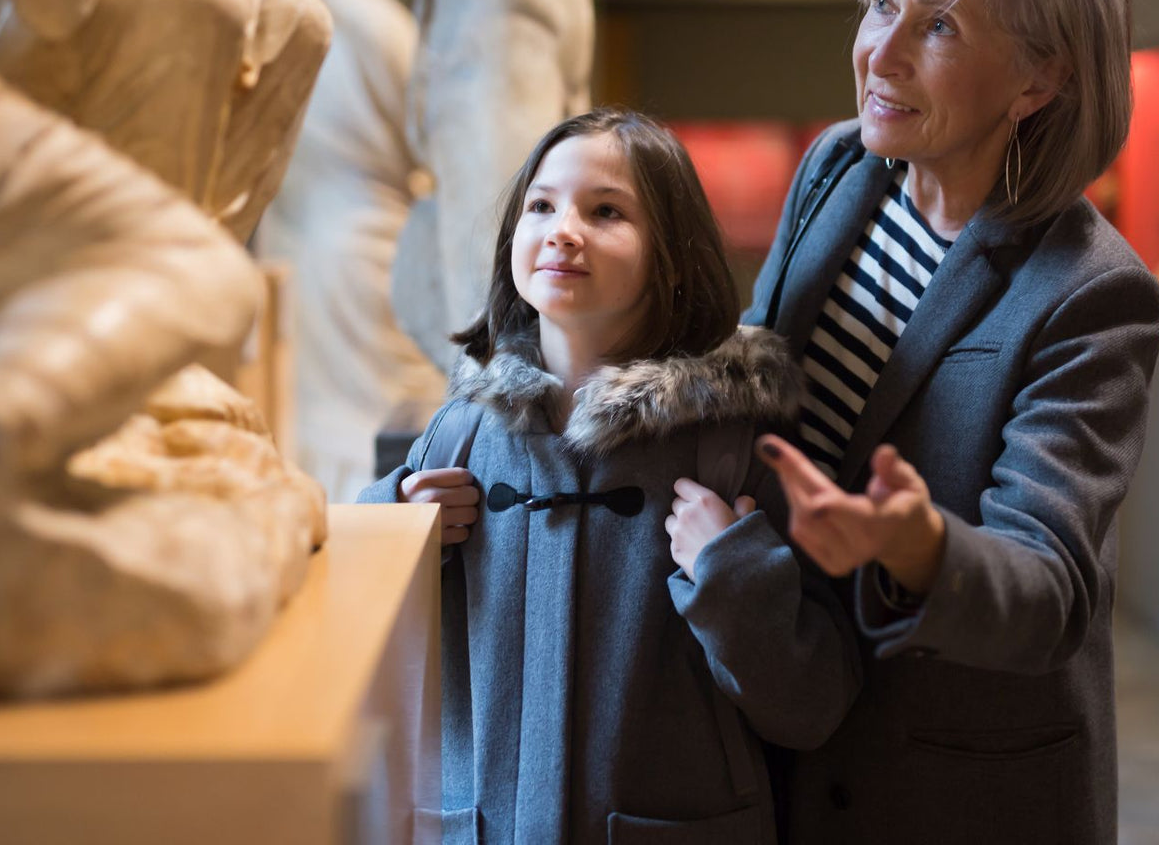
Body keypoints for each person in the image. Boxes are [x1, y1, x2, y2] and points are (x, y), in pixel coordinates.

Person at [731, 0, 1159, 845]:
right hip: (797, 725)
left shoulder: (1091, 292)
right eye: (883, 3)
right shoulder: (842, 165)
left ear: (1039, 79)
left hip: (955, 790)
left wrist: (915, 548)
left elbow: (1048, 591)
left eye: (939, 26)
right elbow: (756, 373)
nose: (879, 53)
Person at [359, 107, 861, 843]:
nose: (563, 229)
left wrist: (733, 573)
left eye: (605, 211)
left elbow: (813, 705)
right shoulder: (460, 435)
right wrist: (394, 518)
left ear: (672, 254)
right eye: (541, 205)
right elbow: (367, 638)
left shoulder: (732, 449)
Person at [257, 0, 445, 501]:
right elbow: (428, 134)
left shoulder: (268, 12)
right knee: (372, 419)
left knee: (307, 410)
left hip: (290, 235)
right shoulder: (381, 24)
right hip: (366, 237)